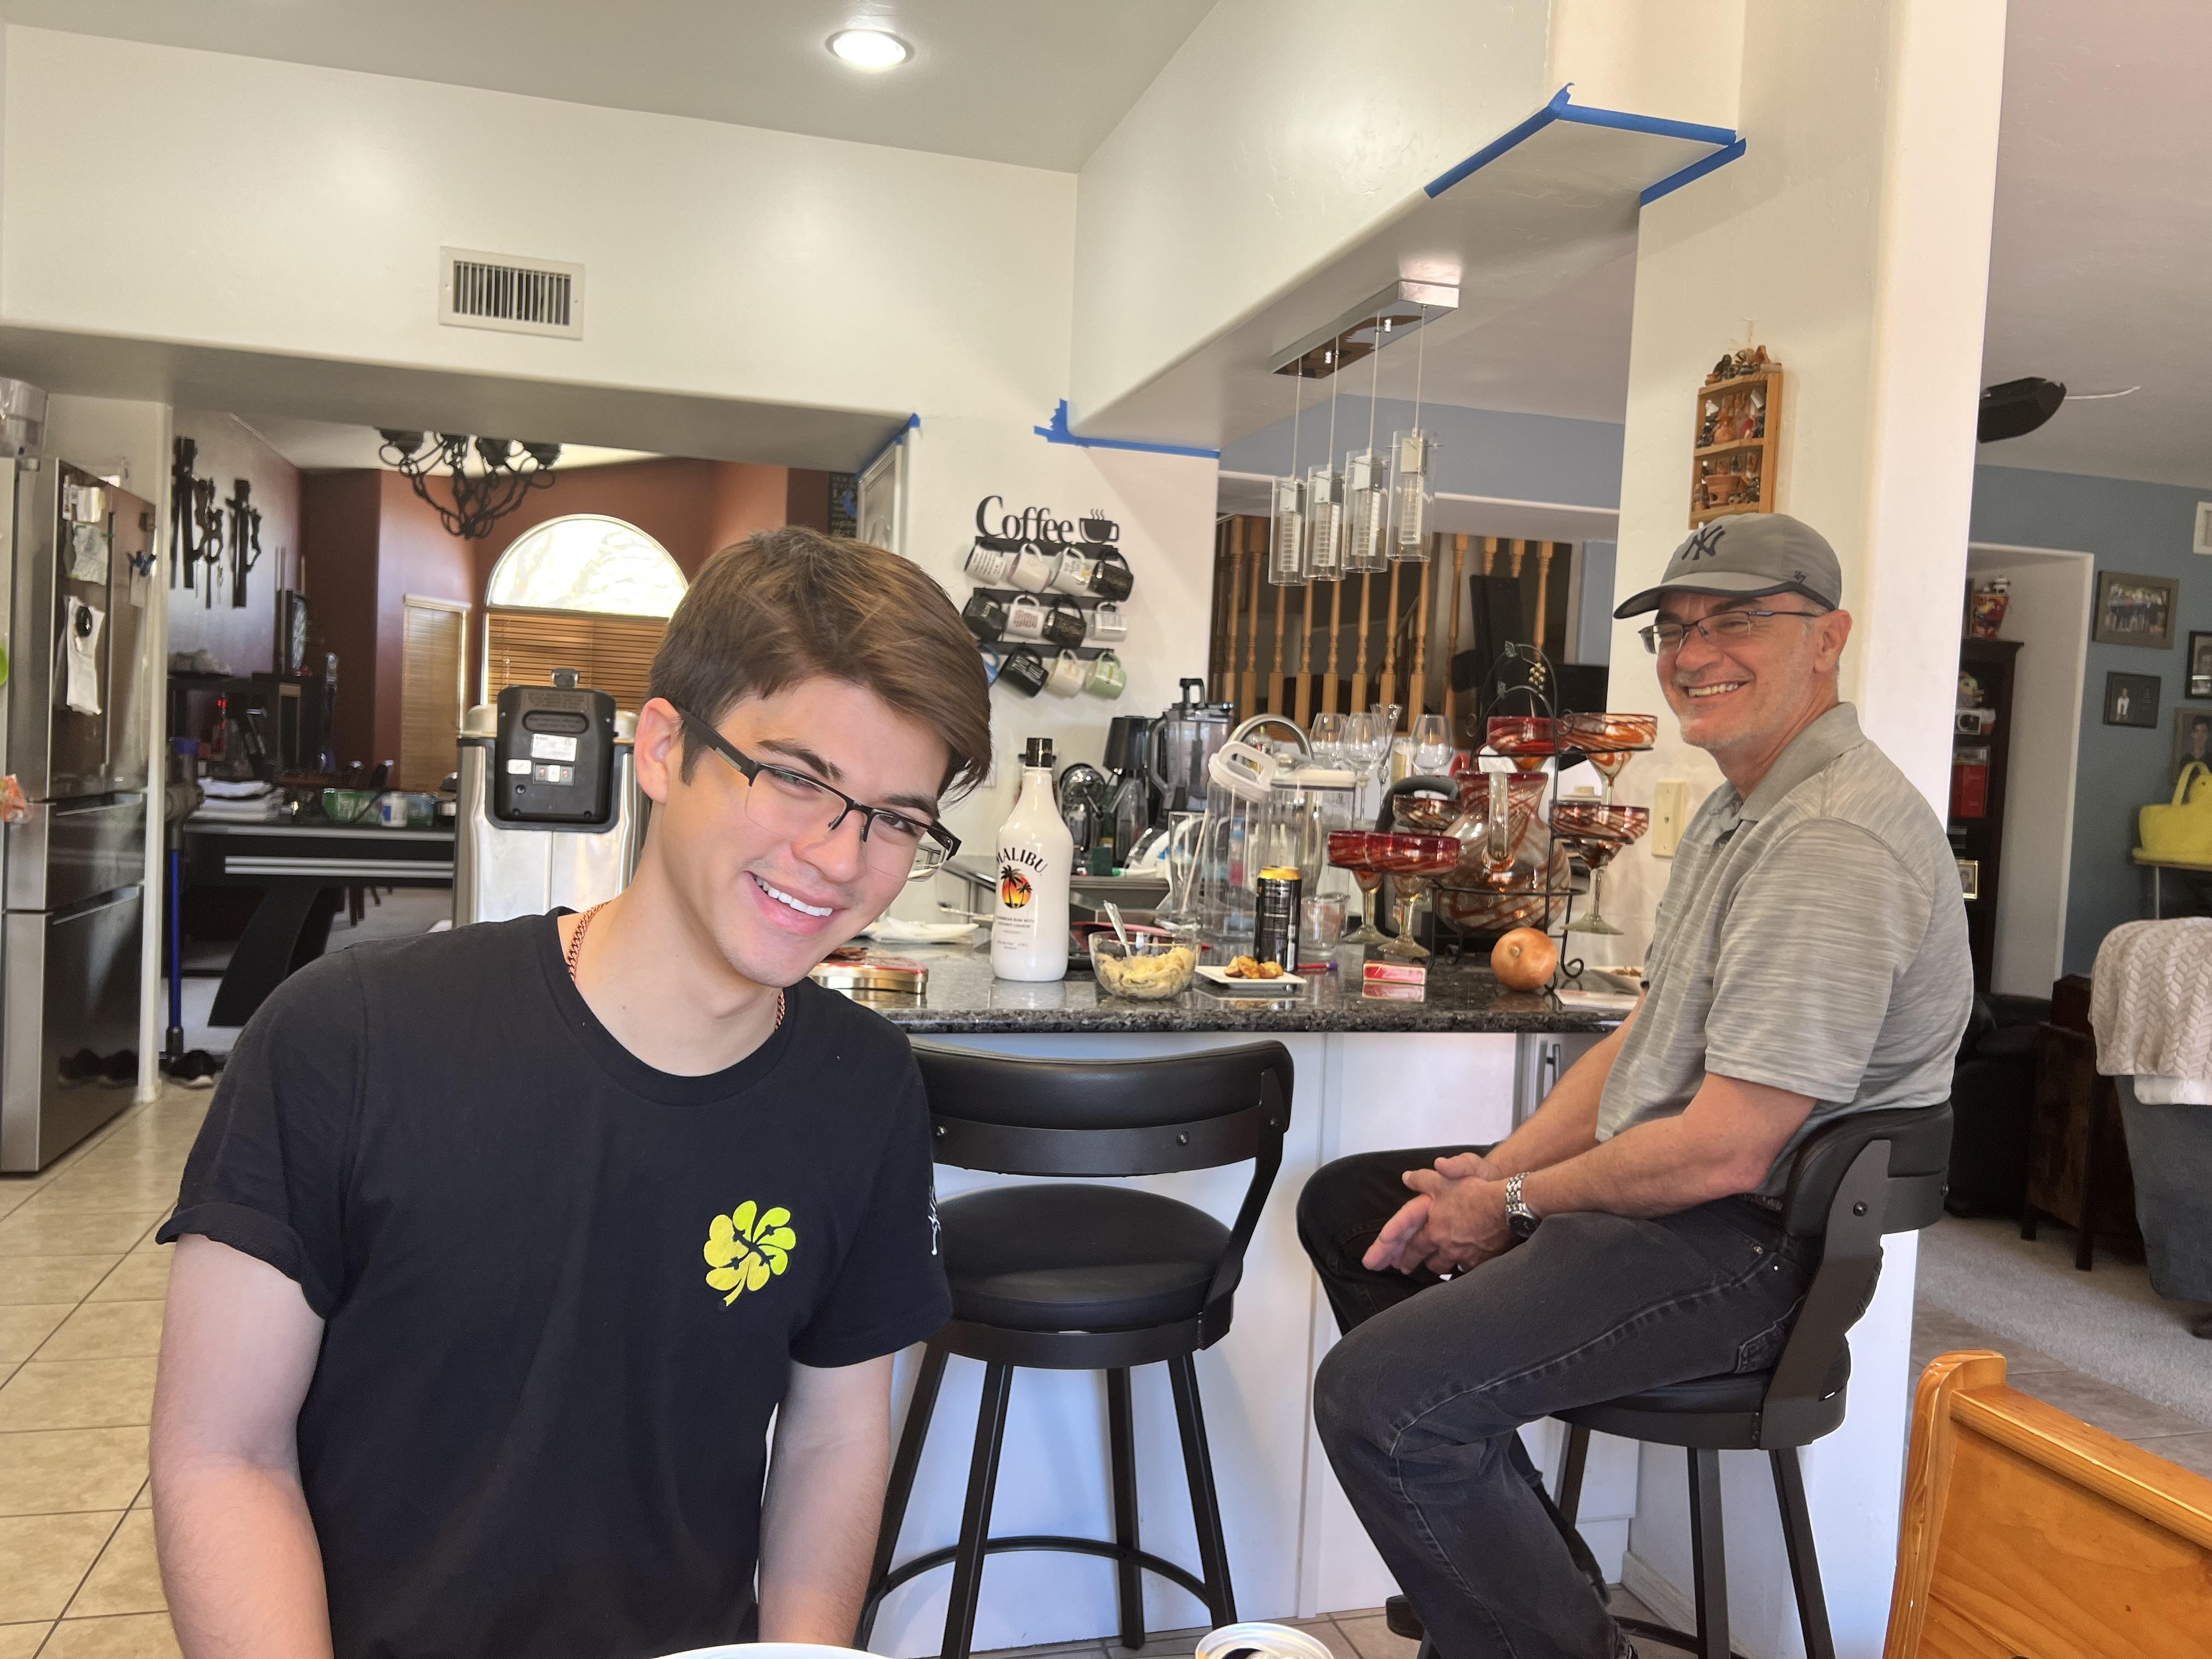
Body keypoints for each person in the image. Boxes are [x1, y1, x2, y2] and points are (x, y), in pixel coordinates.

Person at [150, 529, 991, 1659]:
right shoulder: (346, 1038)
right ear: (661, 748)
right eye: (796, 778)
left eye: (895, 818)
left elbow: (834, 1441)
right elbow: (223, 1453)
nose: (840, 860)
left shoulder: (865, 1089)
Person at [1299, 514, 1972, 1659]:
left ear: (1829, 638)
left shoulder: (1831, 841)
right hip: (1676, 1212)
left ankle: (1546, 1637)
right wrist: (1504, 1173)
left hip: (1747, 1250)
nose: (1692, 652)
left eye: (1738, 621)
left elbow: (1727, 1150)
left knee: (1381, 1400)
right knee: (1358, 1207)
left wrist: (1510, 1210)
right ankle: (1518, 1590)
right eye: (1677, 627)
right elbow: (1644, 1040)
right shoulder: (1739, 803)